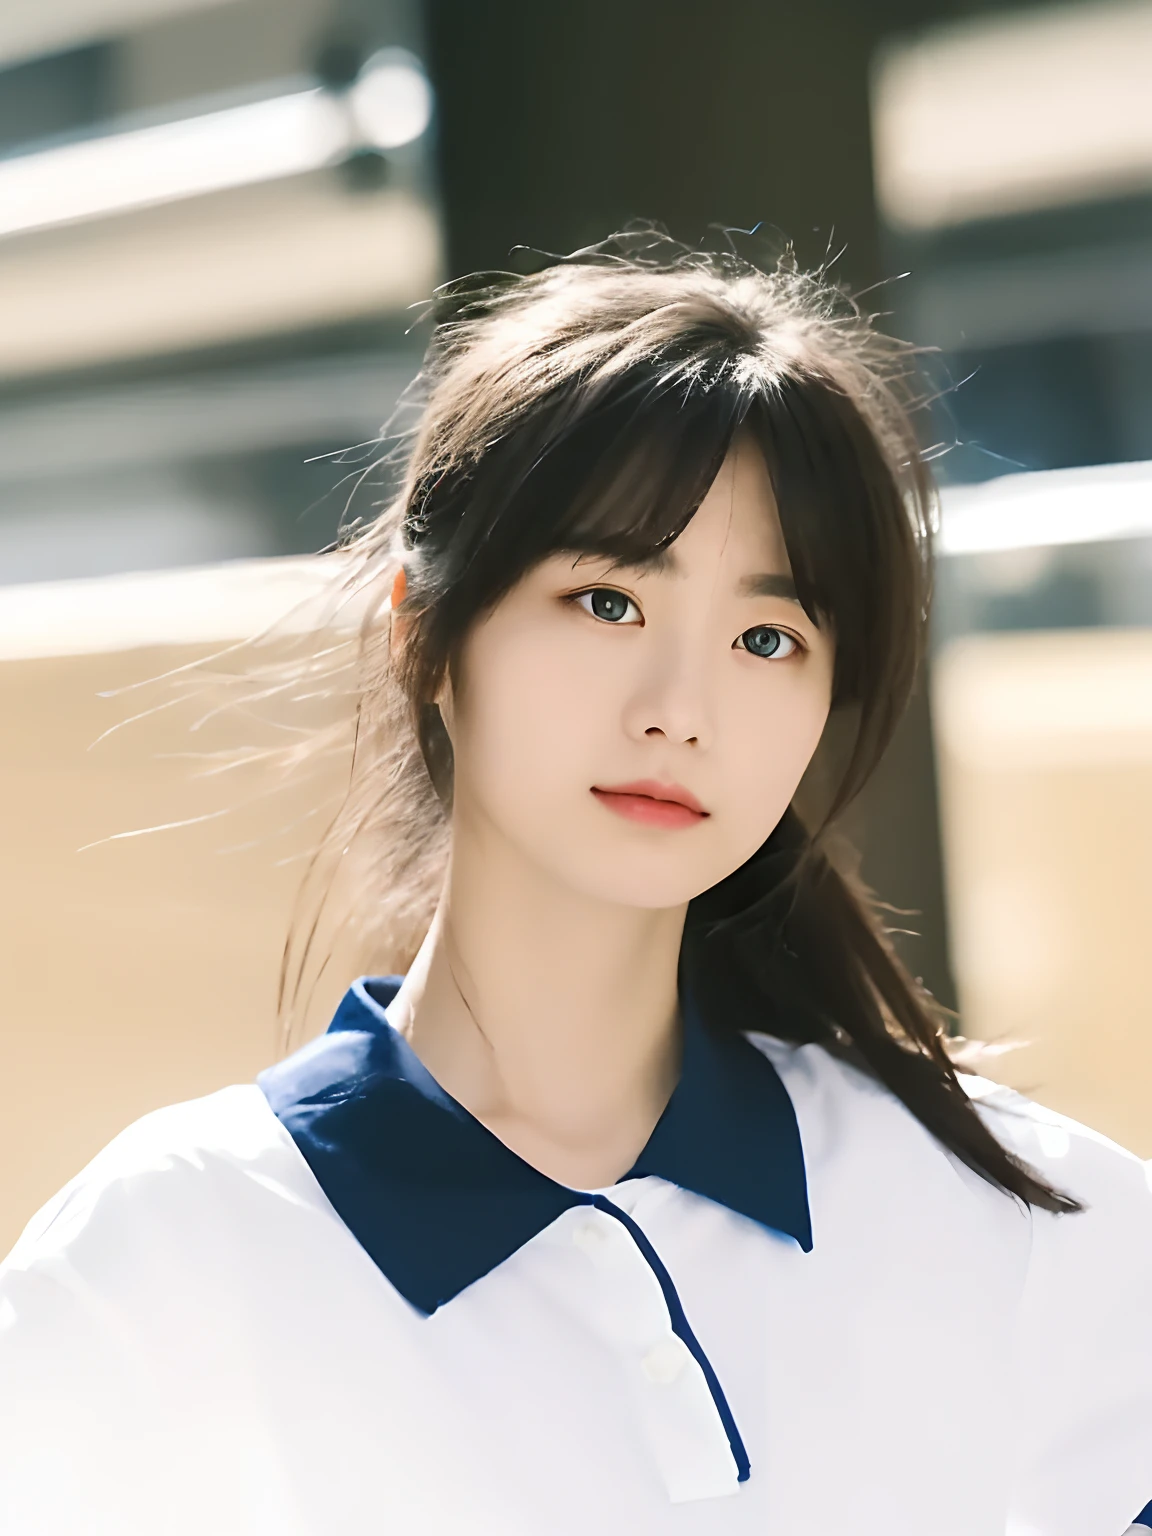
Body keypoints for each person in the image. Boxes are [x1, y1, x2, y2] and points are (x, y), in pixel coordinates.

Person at [1, 232, 1149, 1536]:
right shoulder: (164, 1268)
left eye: (768, 637)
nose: (681, 709)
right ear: (423, 632)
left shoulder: (1016, 1226)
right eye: (608, 602)